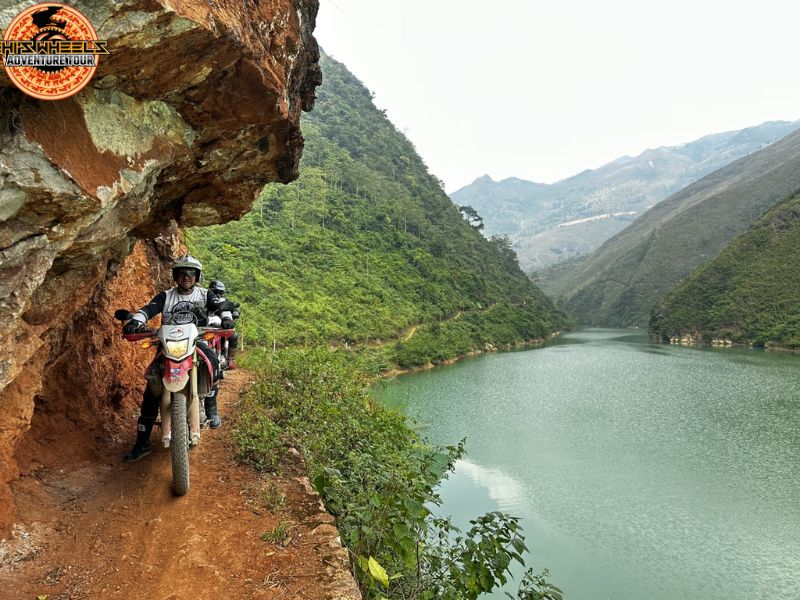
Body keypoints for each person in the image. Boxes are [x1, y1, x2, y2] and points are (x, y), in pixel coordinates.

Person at [122, 255, 234, 462]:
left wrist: (226, 320)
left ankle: (211, 406)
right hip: (168, 345)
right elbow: (147, 310)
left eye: (191, 273)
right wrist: (135, 321)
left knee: (214, 365)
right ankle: (142, 442)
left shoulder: (205, 294)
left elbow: (220, 307)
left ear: (197, 276)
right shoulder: (165, 296)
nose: (186, 277)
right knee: (151, 389)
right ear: (175, 275)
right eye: (182, 273)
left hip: (195, 340)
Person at [208, 279, 239, 370]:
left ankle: (230, 359)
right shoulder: (205, 299)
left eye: (219, 292)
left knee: (234, 335)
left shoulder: (224, 301)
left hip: (221, 326)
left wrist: (233, 314)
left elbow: (231, 308)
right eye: (215, 291)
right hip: (206, 326)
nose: (217, 294)